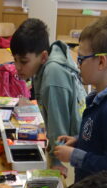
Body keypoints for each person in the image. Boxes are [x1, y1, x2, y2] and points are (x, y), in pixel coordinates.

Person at [54, 15, 107, 184]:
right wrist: (78, 141)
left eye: (81, 59)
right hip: (89, 187)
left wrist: (74, 155)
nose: (78, 65)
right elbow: (98, 140)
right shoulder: (97, 98)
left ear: (101, 61)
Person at [10, 18, 86, 176]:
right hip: (78, 138)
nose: (17, 67)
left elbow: (58, 124)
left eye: (23, 61)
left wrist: (55, 160)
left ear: (43, 57)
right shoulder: (43, 66)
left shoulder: (52, 76)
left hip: (80, 141)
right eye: (15, 60)